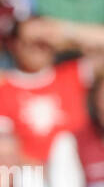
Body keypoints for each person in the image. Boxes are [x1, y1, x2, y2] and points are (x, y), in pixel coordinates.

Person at [0, 18, 91, 163]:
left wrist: (68, 32)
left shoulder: (72, 73)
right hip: (31, 176)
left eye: (43, 42)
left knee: (65, 145)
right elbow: (4, 152)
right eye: (29, 41)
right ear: (15, 43)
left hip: (83, 167)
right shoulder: (4, 87)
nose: (38, 48)